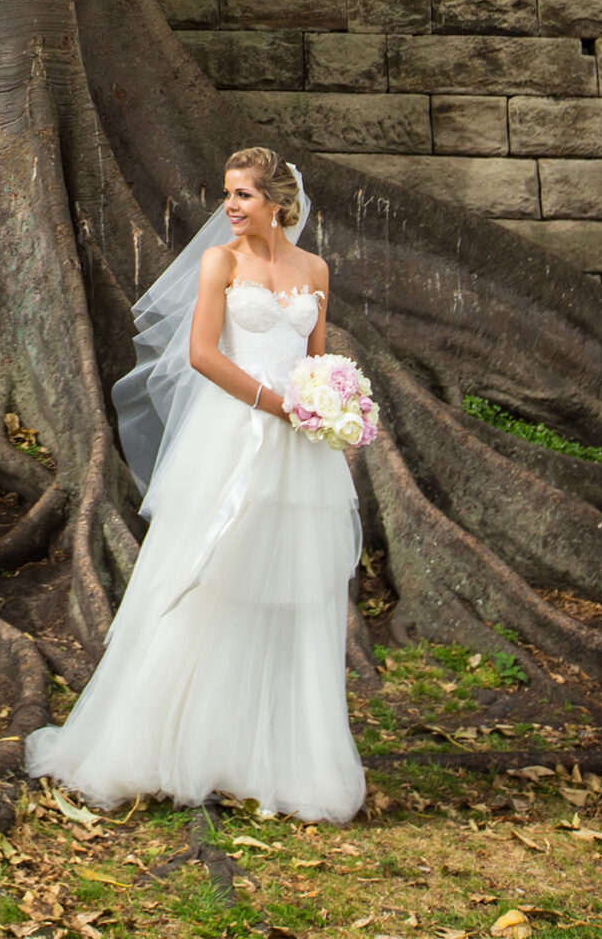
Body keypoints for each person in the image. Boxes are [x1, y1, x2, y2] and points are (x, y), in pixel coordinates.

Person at [24, 145, 364, 821]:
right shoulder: (222, 262)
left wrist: (332, 400)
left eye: (242, 195)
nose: (230, 208)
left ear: (277, 202)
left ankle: (270, 754)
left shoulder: (314, 269)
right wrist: (278, 405)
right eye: (227, 194)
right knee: (206, 580)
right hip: (231, 435)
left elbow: (316, 355)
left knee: (285, 589)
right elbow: (201, 354)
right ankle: (162, 742)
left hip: (299, 451)